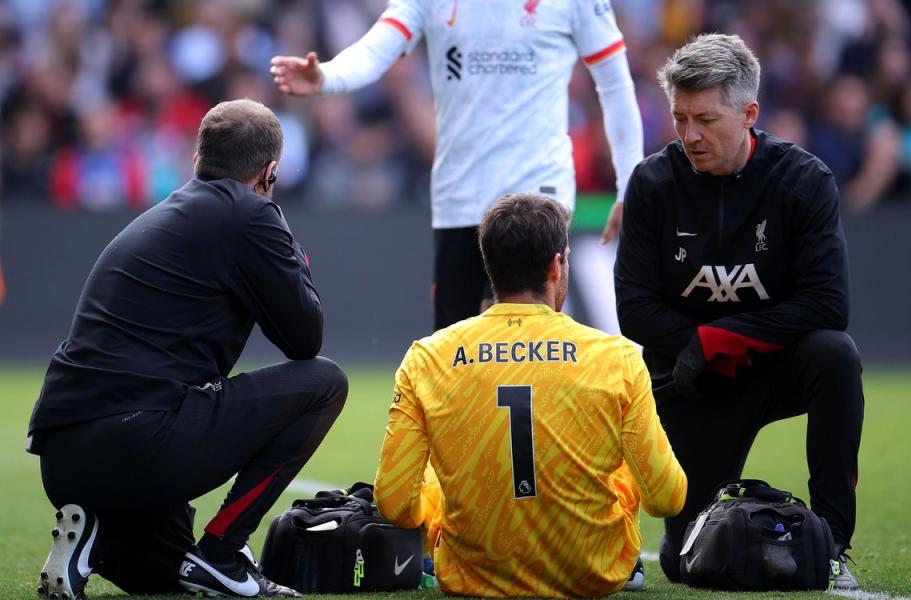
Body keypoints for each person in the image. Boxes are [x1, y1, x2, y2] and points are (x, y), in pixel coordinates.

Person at [28, 98, 348, 599]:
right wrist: (280, 225)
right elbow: (305, 338)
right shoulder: (250, 215)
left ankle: (92, 534)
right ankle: (224, 550)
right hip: (140, 442)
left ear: (198, 160)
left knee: (168, 575)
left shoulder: (164, 215)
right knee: (324, 382)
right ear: (269, 172)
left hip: (65, 458)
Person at [613, 34, 864, 589]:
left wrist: (722, 339)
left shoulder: (804, 181)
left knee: (835, 355)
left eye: (705, 118)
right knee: (689, 565)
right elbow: (634, 310)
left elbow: (829, 304)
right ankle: (656, 533)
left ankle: (832, 543)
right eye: (680, 118)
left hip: (774, 369)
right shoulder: (653, 183)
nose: (690, 135)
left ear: (749, 113)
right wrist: (701, 348)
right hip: (691, 382)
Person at [372, 193, 687, 597]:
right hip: (592, 574)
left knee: (433, 475)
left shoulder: (428, 357)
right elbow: (667, 497)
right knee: (622, 462)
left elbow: (394, 502)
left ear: (490, 267)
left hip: (473, 577)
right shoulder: (616, 356)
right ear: (556, 266)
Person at [270, 0, 645, 330]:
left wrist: (630, 185)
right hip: (460, 197)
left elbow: (615, 84)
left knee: (521, 337)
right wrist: (326, 77)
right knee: (457, 356)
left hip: (537, 191)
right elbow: (376, 48)